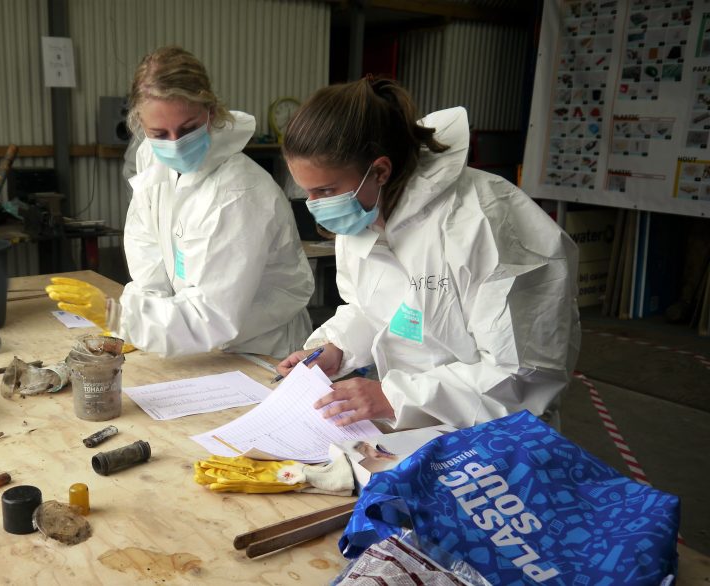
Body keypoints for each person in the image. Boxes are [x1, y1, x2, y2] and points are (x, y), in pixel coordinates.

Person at [276, 76, 580, 431]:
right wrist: (335, 348)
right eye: (308, 192)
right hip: (406, 425)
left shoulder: (486, 221)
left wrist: (395, 397)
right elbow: (371, 308)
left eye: (326, 191)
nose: (316, 206)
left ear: (380, 171)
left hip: (490, 437)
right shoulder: (363, 213)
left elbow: (523, 377)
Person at [47, 47, 314, 359]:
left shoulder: (238, 193)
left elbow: (212, 315)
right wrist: (137, 324)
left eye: (188, 129)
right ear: (139, 122)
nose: (175, 145)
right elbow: (149, 263)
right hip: (194, 344)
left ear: (210, 113)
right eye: (159, 133)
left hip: (260, 350)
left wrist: (123, 319)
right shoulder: (152, 161)